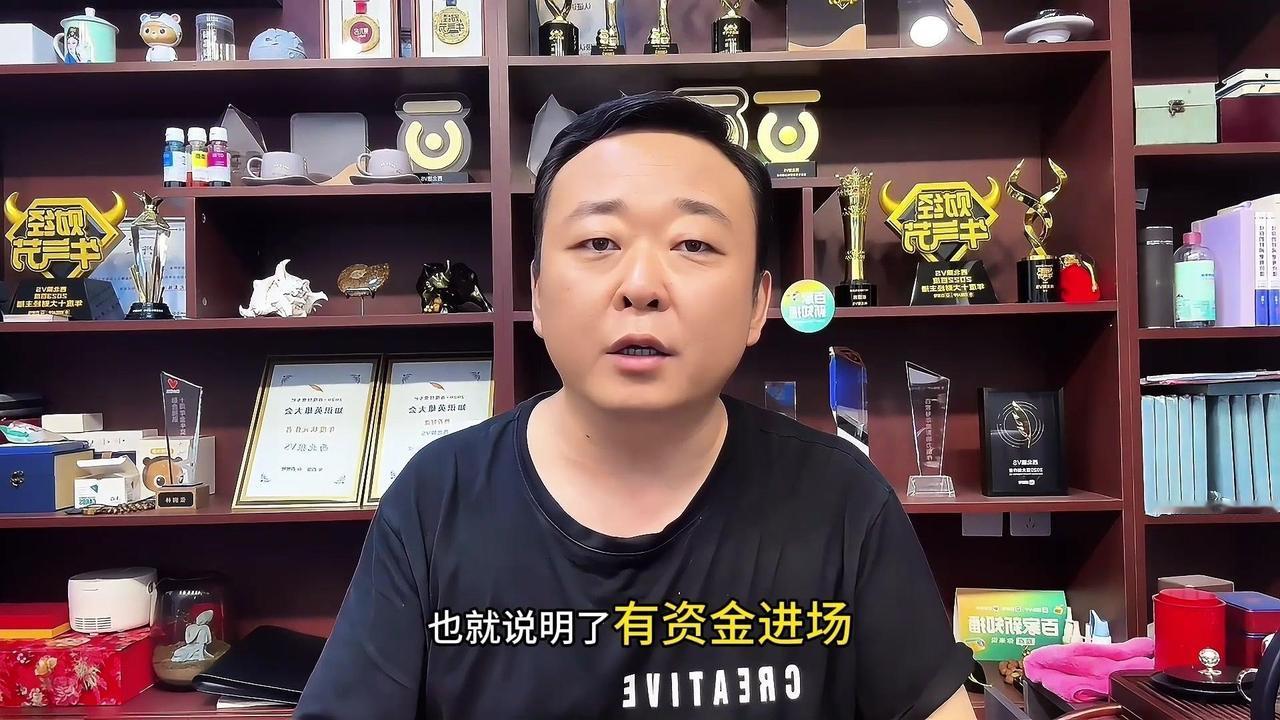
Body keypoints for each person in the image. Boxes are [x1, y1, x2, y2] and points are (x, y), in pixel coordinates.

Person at [296, 91, 974, 719]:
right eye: (599, 243)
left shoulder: (841, 501)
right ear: (537, 295)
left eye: (694, 245)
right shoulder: (436, 497)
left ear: (757, 303)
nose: (642, 285)